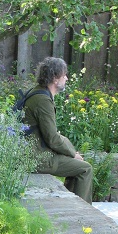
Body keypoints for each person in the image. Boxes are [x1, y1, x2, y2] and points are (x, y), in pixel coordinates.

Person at [22, 57, 93, 204]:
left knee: (77, 166)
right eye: (64, 75)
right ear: (55, 78)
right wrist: (72, 153)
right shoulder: (43, 100)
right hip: (37, 158)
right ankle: (82, 214)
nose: (66, 78)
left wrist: (72, 153)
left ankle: (71, 206)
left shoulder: (37, 93)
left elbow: (51, 135)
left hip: (32, 153)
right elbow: (52, 138)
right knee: (85, 169)